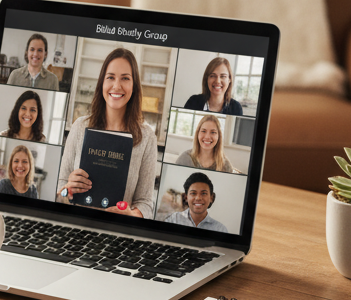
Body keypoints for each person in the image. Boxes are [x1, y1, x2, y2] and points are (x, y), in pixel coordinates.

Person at [57, 48, 157, 218]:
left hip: (117, 231)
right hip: (77, 222)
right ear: (102, 83)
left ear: (134, 85)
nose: (116, 86)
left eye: (125, 78)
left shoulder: (146, 137)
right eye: (110, 77)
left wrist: (132, 215)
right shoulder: (80, 126)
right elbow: (59, 191)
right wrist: (67, 190)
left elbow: (145, 203)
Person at [164, 173, 229, 233]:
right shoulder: (174, 219)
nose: (198, 198)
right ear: (186, 197)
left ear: (211, 198)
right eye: (193, 193)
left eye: (204, 193)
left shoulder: (220, 229)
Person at [174, 115, 238, 173]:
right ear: (197, 134)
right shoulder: (184, 159)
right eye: (203, 131)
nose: (207, 137)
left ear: (219, 136)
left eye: (213, 132)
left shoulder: (226, 166)